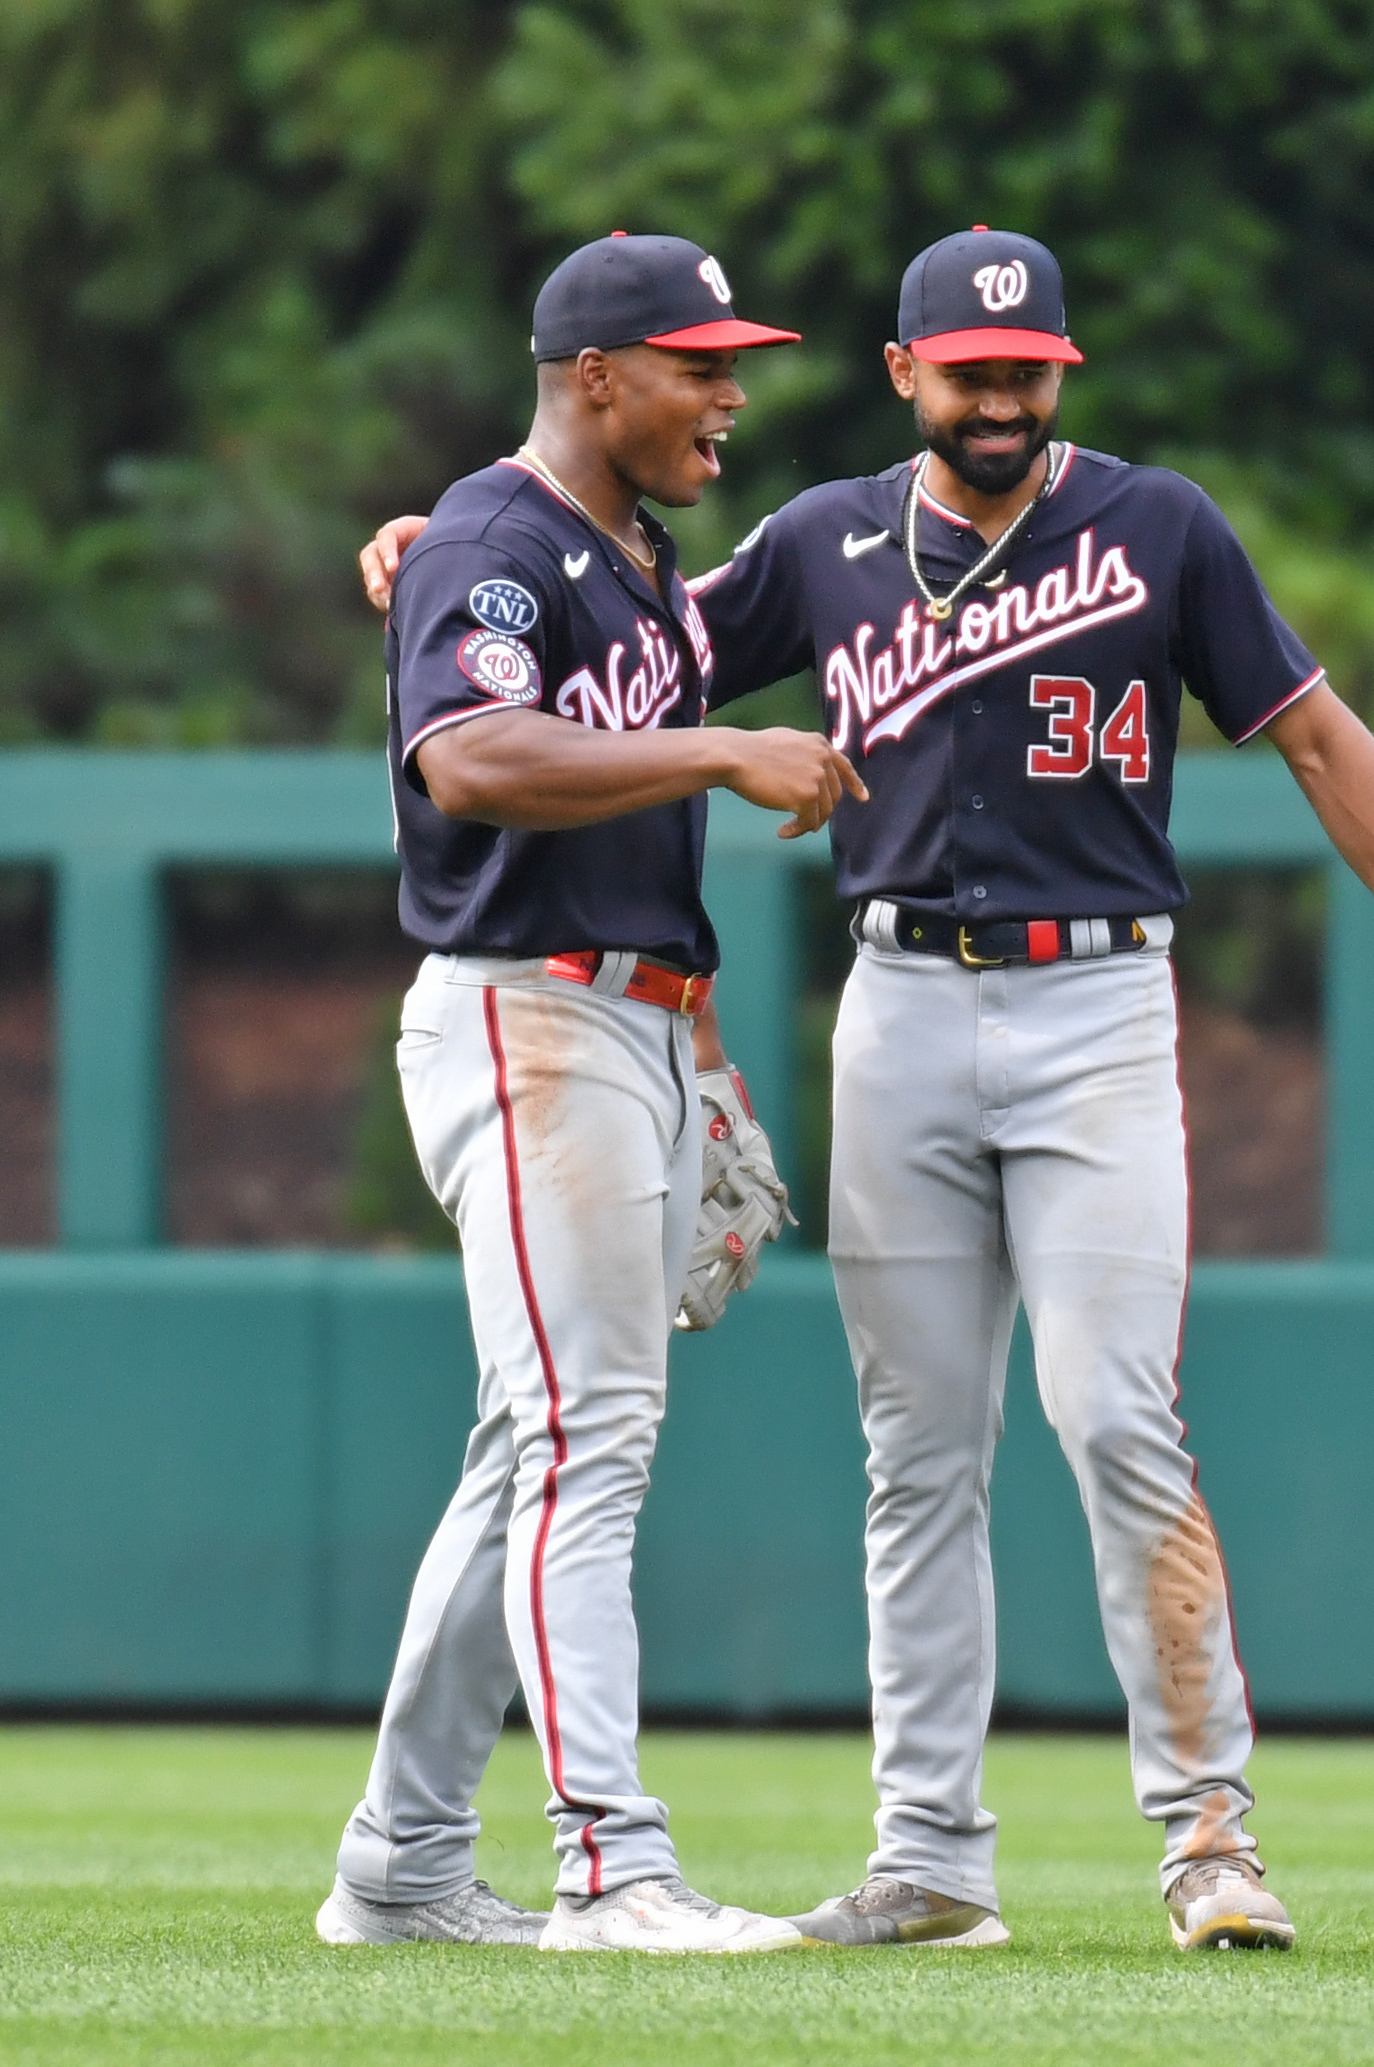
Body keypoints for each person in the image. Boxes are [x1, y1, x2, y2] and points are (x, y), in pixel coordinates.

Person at [361, 226, 1374, 1953]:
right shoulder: (821, 540)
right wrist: (439, 547)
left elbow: (1313, 732)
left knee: (1118, 1418)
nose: (1001, 396)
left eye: (1030, 370)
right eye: (968, 371)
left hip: (1102, 1006)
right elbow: (592, 659)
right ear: (907, 376)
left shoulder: (1158, 527)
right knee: (914, 1455)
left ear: (1063, 374)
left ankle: (1209, 1835)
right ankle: (929, 1859)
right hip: (898, 1007)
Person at [315, 231, 862, 1957]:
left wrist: (697, 1048)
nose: (731, 393)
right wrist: (722, 744)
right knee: (583, 1444)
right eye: (698, 364)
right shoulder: (492, 537)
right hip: (522, 1024)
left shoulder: (624, 552)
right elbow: (469, 760)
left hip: (627, 1021)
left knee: (527, 1455)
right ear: (597, 375)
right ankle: (612, 1868)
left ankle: (401, 1863)